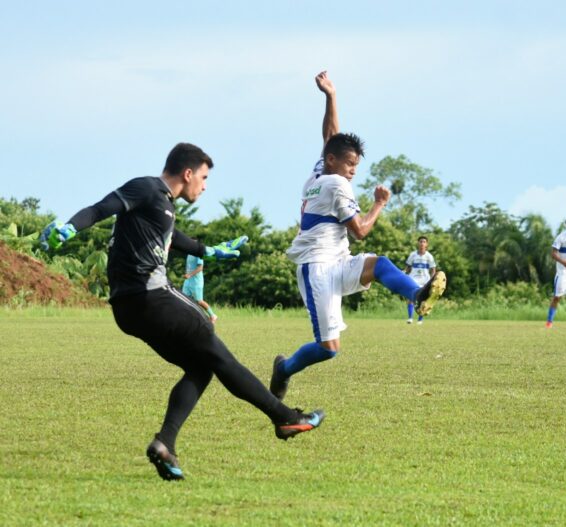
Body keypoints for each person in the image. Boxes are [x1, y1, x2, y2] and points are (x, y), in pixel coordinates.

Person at [40, 143, 324, 481]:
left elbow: (176, 237)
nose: (204, 186)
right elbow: (101, 208)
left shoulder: (162, 207)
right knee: (219, 355)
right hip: (151, 297)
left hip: (130, 308)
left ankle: (165, 444)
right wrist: (71, 227)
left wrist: (211, 251)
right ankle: (284, 416)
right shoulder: (147, 188)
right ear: (187, 173)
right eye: (203, 178)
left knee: (200, 366)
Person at [269, 71, 447, 402]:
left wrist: (331, 96)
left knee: (379, 265)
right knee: (329, 348)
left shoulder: (318, 174)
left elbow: (331, 135)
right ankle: (284, 369)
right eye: (350, 163)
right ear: (333, 161)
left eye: (356, 164)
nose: (353, 169)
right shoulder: (336, 183)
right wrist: (379, 204)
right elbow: (361, 231)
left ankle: (417, 295)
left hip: (338, 262)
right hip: (318, 269)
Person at [404, 236, 437, 325]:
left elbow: (433, 270)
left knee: (423, 300)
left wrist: (432, 280)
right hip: (413, 279)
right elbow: (407, 267)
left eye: (424, 242)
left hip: (424, 281)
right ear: (418, 243)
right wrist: (404, 275)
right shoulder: (412, 255)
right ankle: (410, 318)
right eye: (420, 241)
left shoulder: (429, 256)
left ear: (426, 244)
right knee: (410, 298)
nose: (422, 243)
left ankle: (420, 320)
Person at [182, 254, 217, 323]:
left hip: (196, 282)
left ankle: (212, 315)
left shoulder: (198, 253)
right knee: (184, 299)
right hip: (188, 281)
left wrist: (189, 275)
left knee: (199, 301)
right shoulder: (188, 254)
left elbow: (200, 268)